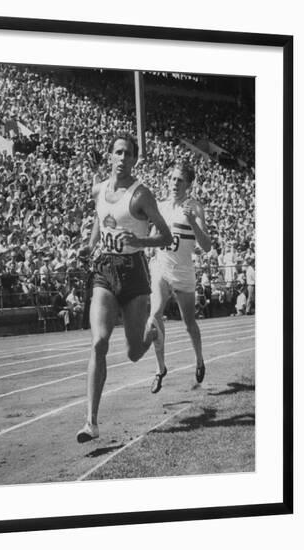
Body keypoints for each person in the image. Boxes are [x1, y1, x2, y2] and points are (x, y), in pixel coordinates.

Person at [76, 134, 172, 443]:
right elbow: (99, 219)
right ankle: (91, 421)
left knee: (133, 353)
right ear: (109, 155)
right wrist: (89, 246)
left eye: (128, 154)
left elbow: (166, 236)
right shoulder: (99, 189)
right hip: (105, 270)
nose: (122, 158)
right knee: (98, 342)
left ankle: (151, 333)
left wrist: (141, 241)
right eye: (117, 152)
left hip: (134, 272)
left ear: (135, 159)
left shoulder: (141, 195)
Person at [148, 161, 211, 394]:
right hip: (161, 268)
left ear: (188, 184)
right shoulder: (162, 206)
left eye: (180, 180)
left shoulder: (195, 208)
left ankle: (199, 359)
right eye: (173, 178)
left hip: (183, 272)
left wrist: (193, 222)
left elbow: (206, 245)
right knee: (154, 315)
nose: (175, 183)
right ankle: (160, 368)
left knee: (189, 324)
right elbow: (154, 235)